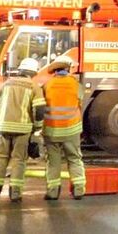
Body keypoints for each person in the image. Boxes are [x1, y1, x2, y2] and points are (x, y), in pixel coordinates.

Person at [0, 58, 45, 203]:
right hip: (22, 128)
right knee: (19, 161)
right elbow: (39, 110)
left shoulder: (6, 84)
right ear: (34, 72)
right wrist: (37, 127)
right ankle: (15, 194)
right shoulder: (34, 87)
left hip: (3, 127)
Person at [41, 55, 86, 200]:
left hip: (51, 130)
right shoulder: (75, 84)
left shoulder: (47, 85)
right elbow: (80, 101)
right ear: (67, 68)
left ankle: (53, 192)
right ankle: (78, 190)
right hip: (71, 129)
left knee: (53, 162)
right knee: (74, 159)